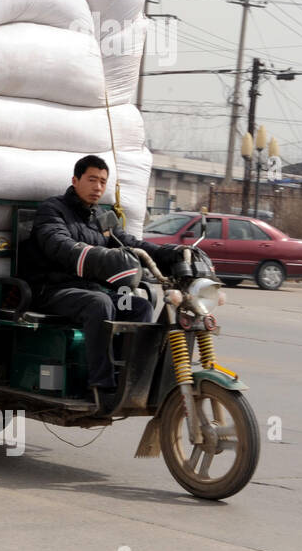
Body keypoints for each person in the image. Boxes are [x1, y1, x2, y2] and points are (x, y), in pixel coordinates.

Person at [24, 155, 184, 410]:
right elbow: (59, 245)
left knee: (137, 306)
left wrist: (171, 254)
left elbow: (130, 242)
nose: (98, 187)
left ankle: (130, 377)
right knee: (99, 304)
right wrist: (100, 256)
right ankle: (101, 385)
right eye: (92, 179)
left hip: (91, 289)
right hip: (53, 290)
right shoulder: (52, 210)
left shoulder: (103, 217)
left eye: (102, 181)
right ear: (75, 180)